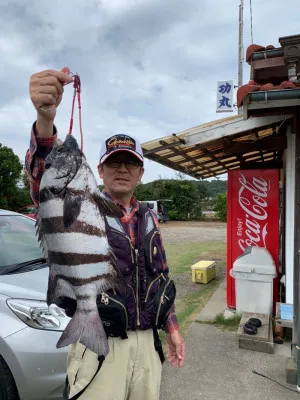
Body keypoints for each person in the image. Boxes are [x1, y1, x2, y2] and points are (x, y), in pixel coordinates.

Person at [25, 69, 185, 400]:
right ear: (99, 170)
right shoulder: (82, 207)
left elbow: (162, 277)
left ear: (141, 172)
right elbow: (44, 181)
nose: (122, 169)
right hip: (99, 346)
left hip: (147, 349)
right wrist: (44, 120)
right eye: (114, 163)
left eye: (130, 163)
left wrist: (171, 328)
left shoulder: (149, 218)